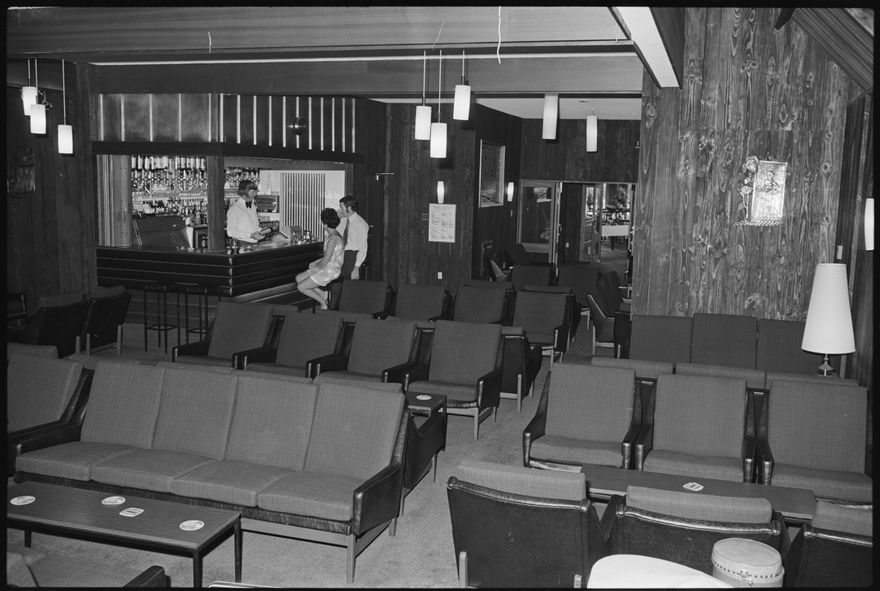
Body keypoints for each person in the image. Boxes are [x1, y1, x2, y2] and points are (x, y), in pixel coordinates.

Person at [296, 208, 344, 309]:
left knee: (301, 287)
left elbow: (326, 261)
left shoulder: (333, 239)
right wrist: (316, 262)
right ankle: (323, 294)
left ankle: (323, 302)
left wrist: (315, 268)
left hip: (331, 270)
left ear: (325, 224)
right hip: (327, 266)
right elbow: (329, 256)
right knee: (298, 278)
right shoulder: (333, 235)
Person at [337, 195, 369, 279]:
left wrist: (356, 267)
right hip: (340, 256)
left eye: (342, 207)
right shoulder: (342, 220)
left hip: (352, 257)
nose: (340, 210)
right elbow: (335, 236)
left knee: (349, 287)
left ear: (349, 208)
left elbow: (363, 248)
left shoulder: (361, 224)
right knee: (337, 287)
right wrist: (336, 219)